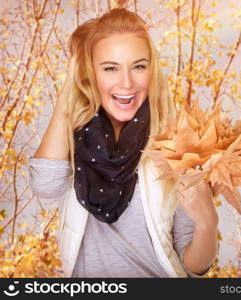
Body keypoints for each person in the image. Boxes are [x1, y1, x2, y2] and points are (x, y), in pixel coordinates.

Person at [29, 7, 219, 278]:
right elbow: (45, 186)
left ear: (151, 71)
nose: (127, 83)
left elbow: (192, 267)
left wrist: (208, 223)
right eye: (110, 68)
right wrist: (70, 89)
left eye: (139, 66)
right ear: (89, 73)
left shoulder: (176, 142)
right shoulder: (73, 137)